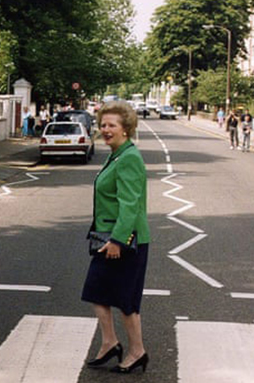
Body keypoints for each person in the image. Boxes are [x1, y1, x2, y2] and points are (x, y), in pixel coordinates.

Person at [82, 101, 150, 374]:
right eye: (103, 125)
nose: (105, 130)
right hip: (107, 238)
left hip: (124, 241)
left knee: (125, 300)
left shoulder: (129, 158)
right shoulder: (117, 155)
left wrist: (119, 241)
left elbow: (130, 205)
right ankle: (110, 342)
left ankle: (137, 351)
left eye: (112, 125)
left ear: (126, 129)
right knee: (97, 292)